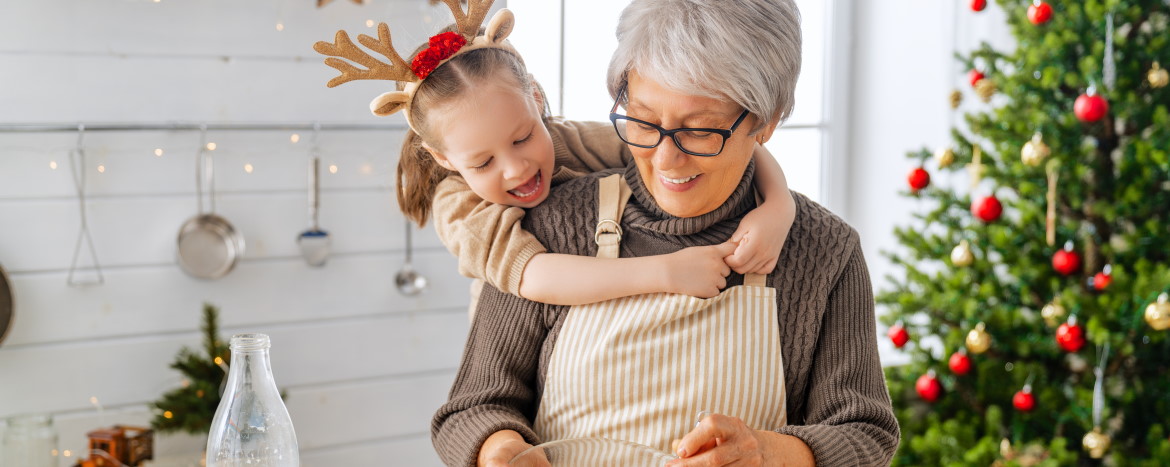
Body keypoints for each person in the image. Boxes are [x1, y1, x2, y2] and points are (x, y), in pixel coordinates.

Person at [430, 0, 900, 466]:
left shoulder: (824, 251)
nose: (665, 159)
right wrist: (503, 451)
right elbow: (472, 410)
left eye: (700, 131)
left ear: (766, 121)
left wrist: (771, 454)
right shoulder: (551, 225)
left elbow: (866, 434)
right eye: (644, 121)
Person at [316, 5, 797, 311]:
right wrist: (667, 272)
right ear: (443, 158)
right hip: (530, 326)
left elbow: (711, 142)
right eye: (482, 163)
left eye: (524, 137)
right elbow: (534, 276)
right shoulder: (459, 208)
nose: (516, 168)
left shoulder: (567, 138)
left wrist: (777, 206)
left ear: (537, 100)